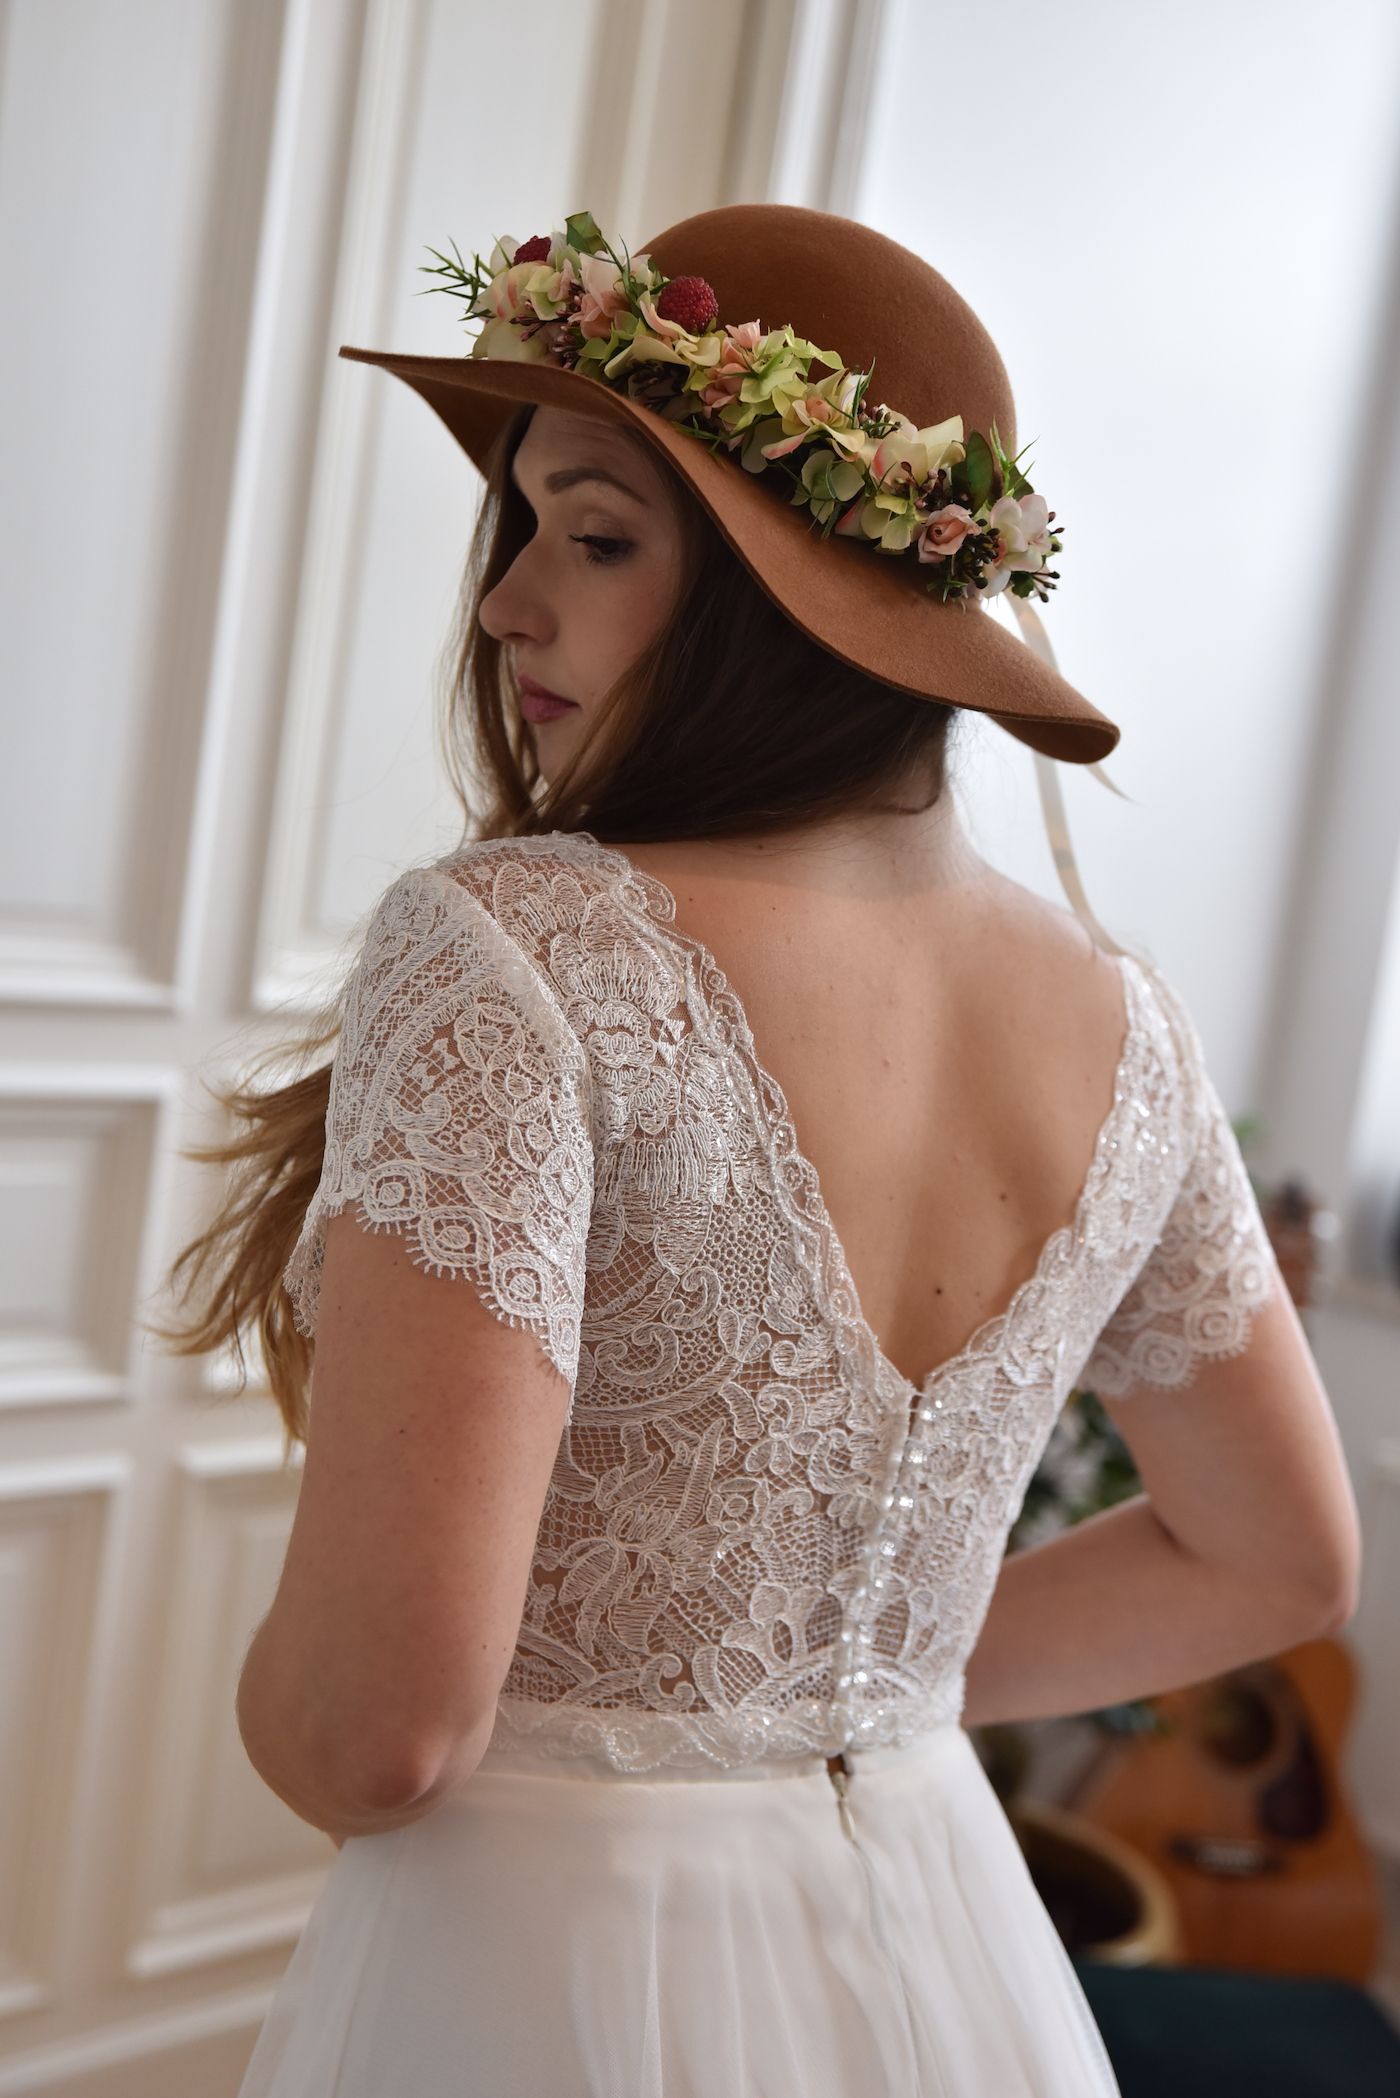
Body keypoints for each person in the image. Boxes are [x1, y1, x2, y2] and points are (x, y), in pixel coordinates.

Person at [156, 204, 1361, 2096]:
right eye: (525, 525)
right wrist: (850, 1692)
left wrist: (283, 1708)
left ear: (788, 589)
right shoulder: (1127, 1025)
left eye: (598, 534)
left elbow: (379, 1734)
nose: (507, 603)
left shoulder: (512, 950)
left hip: (545, 1958)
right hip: (945, 1947)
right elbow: (1280, 1556)